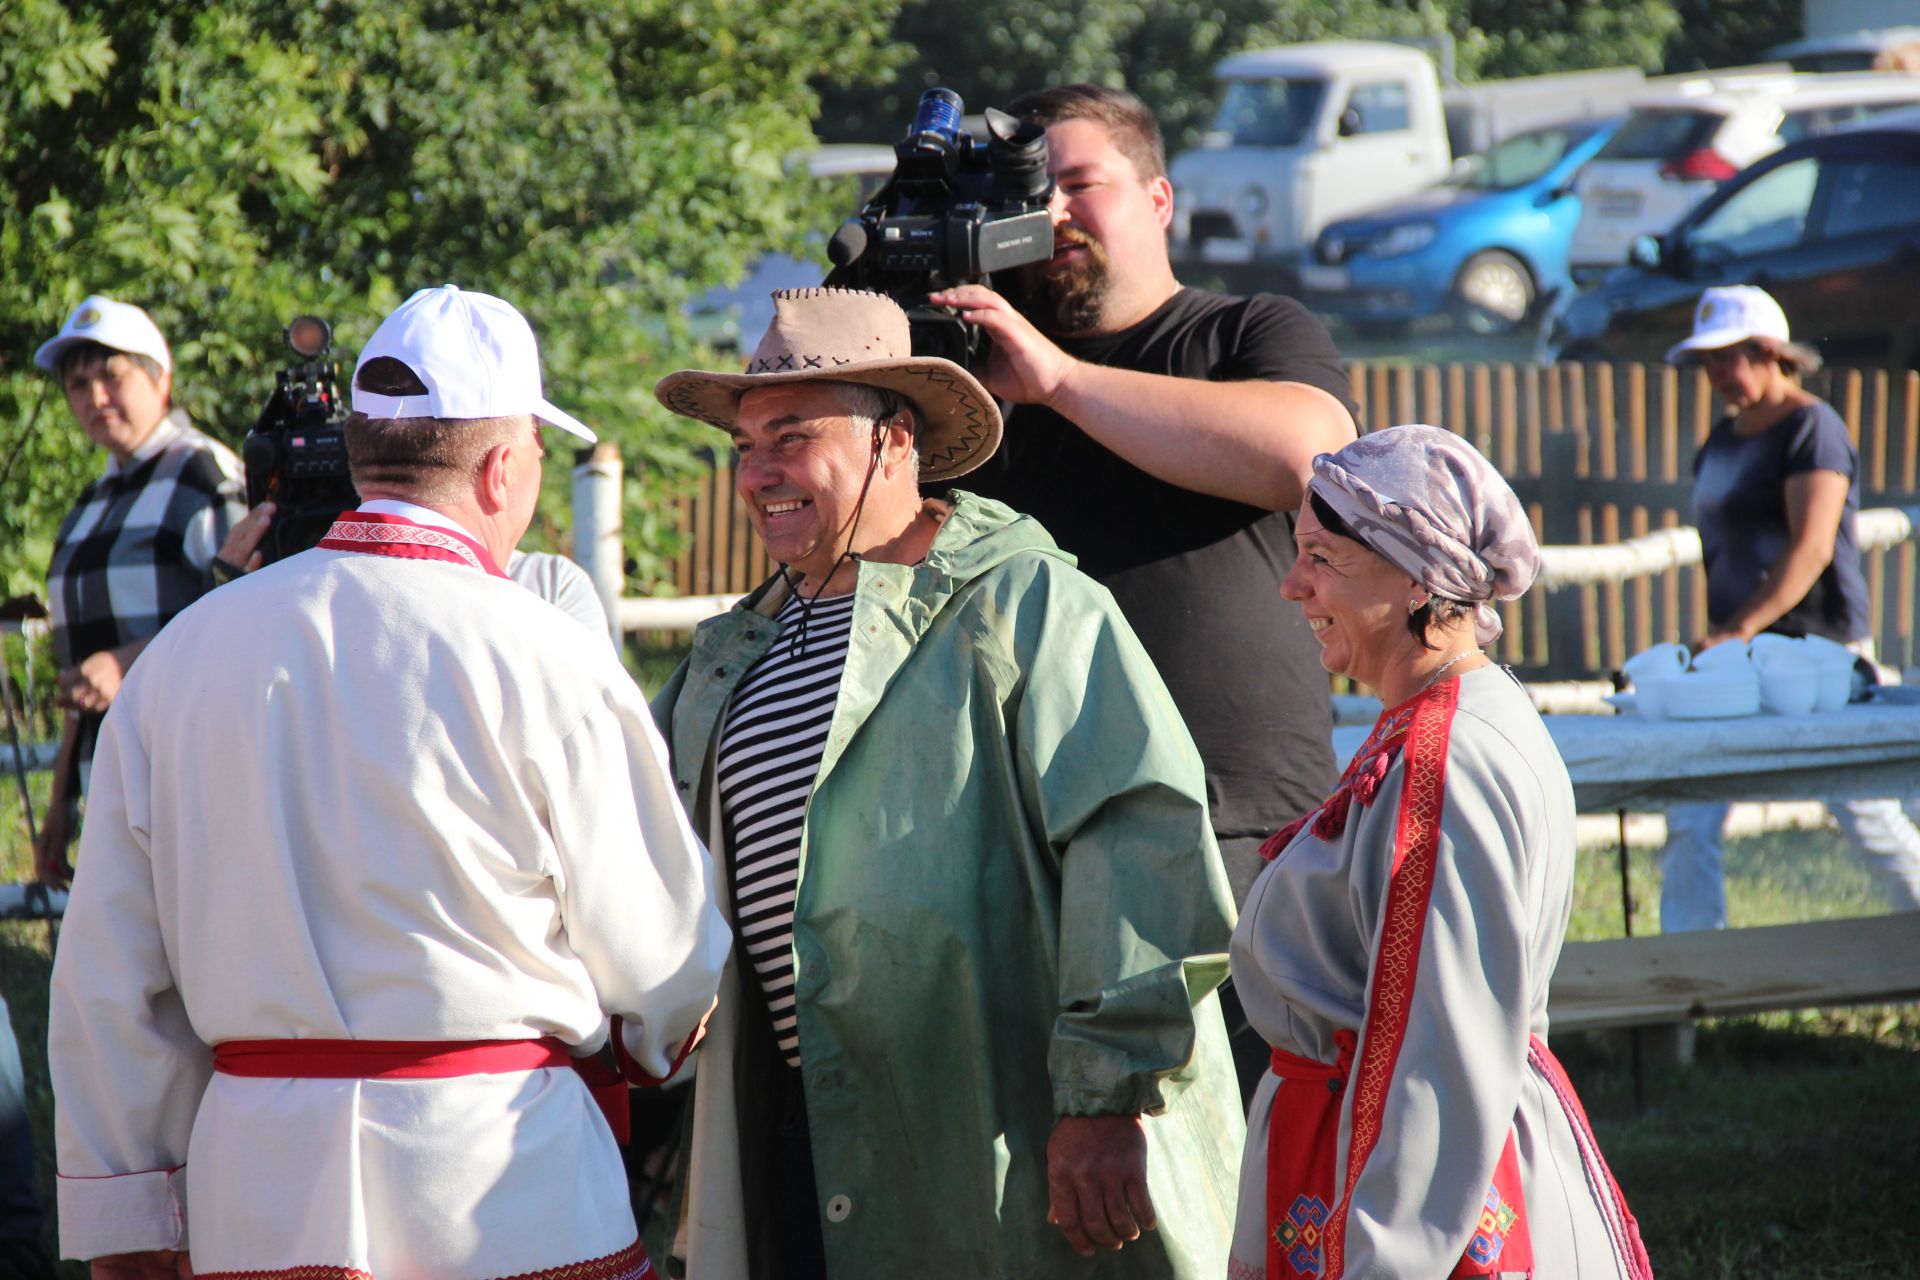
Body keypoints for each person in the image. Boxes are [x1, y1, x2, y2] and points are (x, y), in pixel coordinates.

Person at [48, 284, 730, 1279]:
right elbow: (665, 953)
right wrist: (650, 1037)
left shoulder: (182, 658)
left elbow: (109, 976)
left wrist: (129, 1222)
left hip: (259, 1196)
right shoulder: (547, 653)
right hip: (509, 1184)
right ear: (504, 468)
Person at [651, 287, 1245, 1279]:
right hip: (798, 1138)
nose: (757, 474)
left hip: (1006, 1135)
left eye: (791, 437)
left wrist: (1103, 1097)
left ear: (893, 441)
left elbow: (1140, 835)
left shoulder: (1025, 601)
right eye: (746, 445)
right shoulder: (728, 657)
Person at [1228, 425, 1653, 1279]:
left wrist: (1383, 1258)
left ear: (1414, 573)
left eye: (1321, 557)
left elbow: (1438, 1055)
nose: (1292, 585)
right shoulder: (1448, 719)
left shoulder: (1446, 757)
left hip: (1410, 1197)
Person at [928, 84, 1360, 909]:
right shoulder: (967, 377)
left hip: (1236, 828)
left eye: (1080, 184)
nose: (1052, 212)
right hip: (1019, 841)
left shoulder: (1247, 331)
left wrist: (1058, 382)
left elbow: (1306, 456)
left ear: (1159, 198)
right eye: (1027, 194)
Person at [1658, 285, 1920, 931]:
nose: (1717, 374)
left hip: (1819, 654)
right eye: (1709, 361)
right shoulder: (1721, 440)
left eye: (1729, 357)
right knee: (1692, 808)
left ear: (1770, 351)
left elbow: (1809, 550)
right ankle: (1691, 977)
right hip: (1740, 656)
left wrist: (1737, 627)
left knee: (1867, 816)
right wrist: (1730, 636)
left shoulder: (1814, 429)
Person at [30, 296, 246, 885]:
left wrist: (128, 664)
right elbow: (86, 671)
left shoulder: (206, 475)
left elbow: (246, 621)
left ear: (161, 378)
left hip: (194, 778)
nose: (94, 397)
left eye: (111, 375)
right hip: (112, 783)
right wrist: (61, 806)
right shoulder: (89, 504)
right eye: (78, 384)